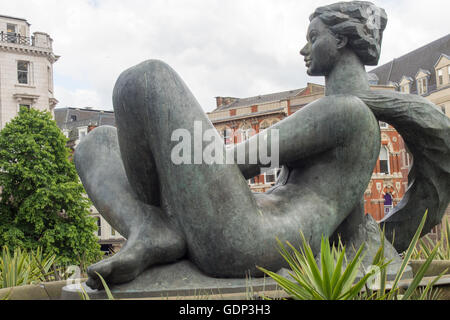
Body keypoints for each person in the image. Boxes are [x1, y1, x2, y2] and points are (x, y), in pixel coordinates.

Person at [75, 1, 449, 289]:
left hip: (255, 240)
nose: (305, 49)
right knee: (96, 143)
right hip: (244, 226)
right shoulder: (347, 117)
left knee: (146, 79)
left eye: (313, 37)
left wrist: (165, 155)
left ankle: (155, 225)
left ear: (341, 40)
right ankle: (152, 225)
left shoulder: (345, 114)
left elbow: (236, 161)